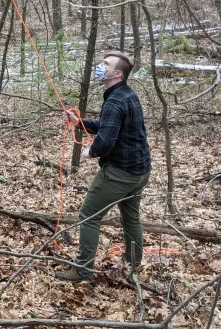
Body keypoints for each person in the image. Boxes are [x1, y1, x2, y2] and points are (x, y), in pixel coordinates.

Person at [55, 51, 151, 282]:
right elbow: (108, 125)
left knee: (88, 215)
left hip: (121, 173)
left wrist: (92, 151)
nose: (100, 66)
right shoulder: (125, 95)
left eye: (105, 64)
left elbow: (106, 140)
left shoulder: (116, 100)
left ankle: (82, 270)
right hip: (140, 171)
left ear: (117, 73)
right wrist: (81, 123)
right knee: (130, 216)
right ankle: (132, 262)